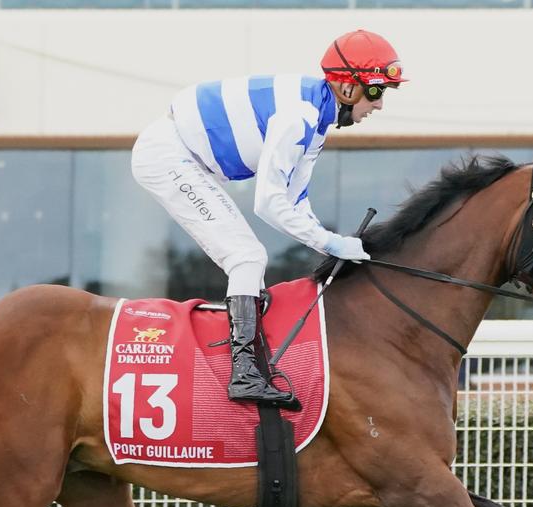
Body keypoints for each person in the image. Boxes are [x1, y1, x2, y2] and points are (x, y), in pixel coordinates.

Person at [131, 29, 405, 408]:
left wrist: (331, 239)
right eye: (375, 92)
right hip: (168, 155)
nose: (378, 105)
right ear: (346, 88)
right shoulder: (300, 117)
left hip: (186, 156)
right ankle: (243, 373)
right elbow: (270, 204)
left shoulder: (317, 121)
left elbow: (296, 200)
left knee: (249, 256)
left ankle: (248, 365)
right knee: (247, 257)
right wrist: (329, 242)